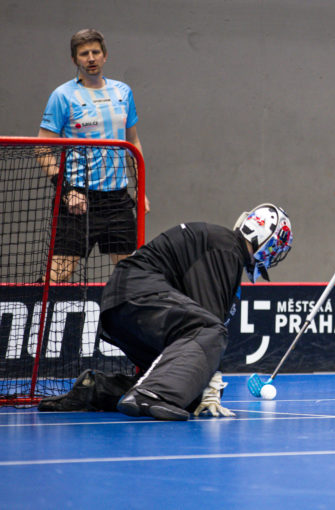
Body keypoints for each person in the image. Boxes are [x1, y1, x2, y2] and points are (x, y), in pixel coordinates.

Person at [38, 203, 293, 420]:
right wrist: (214, 378)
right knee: (211, 332)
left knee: (190, 389)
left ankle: (98, 389)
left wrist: (207, 381)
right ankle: (151, 394)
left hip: (125, 303)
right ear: (268, 242)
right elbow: (210, 320)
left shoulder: (224, 248)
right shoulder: (225, 249)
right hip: (139, 294)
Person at [37, 28, 149, 282]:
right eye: (84, 53)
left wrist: (141, 192)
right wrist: (66, 191)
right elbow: (41, 148)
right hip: (77, 201)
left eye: (95, 52)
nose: (91, 58)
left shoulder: (123, 92)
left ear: (105, 55)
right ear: (75, 59)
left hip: (117, 201)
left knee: (133, 276)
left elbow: (132, 142)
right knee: (59, 276)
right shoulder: (62, 96)